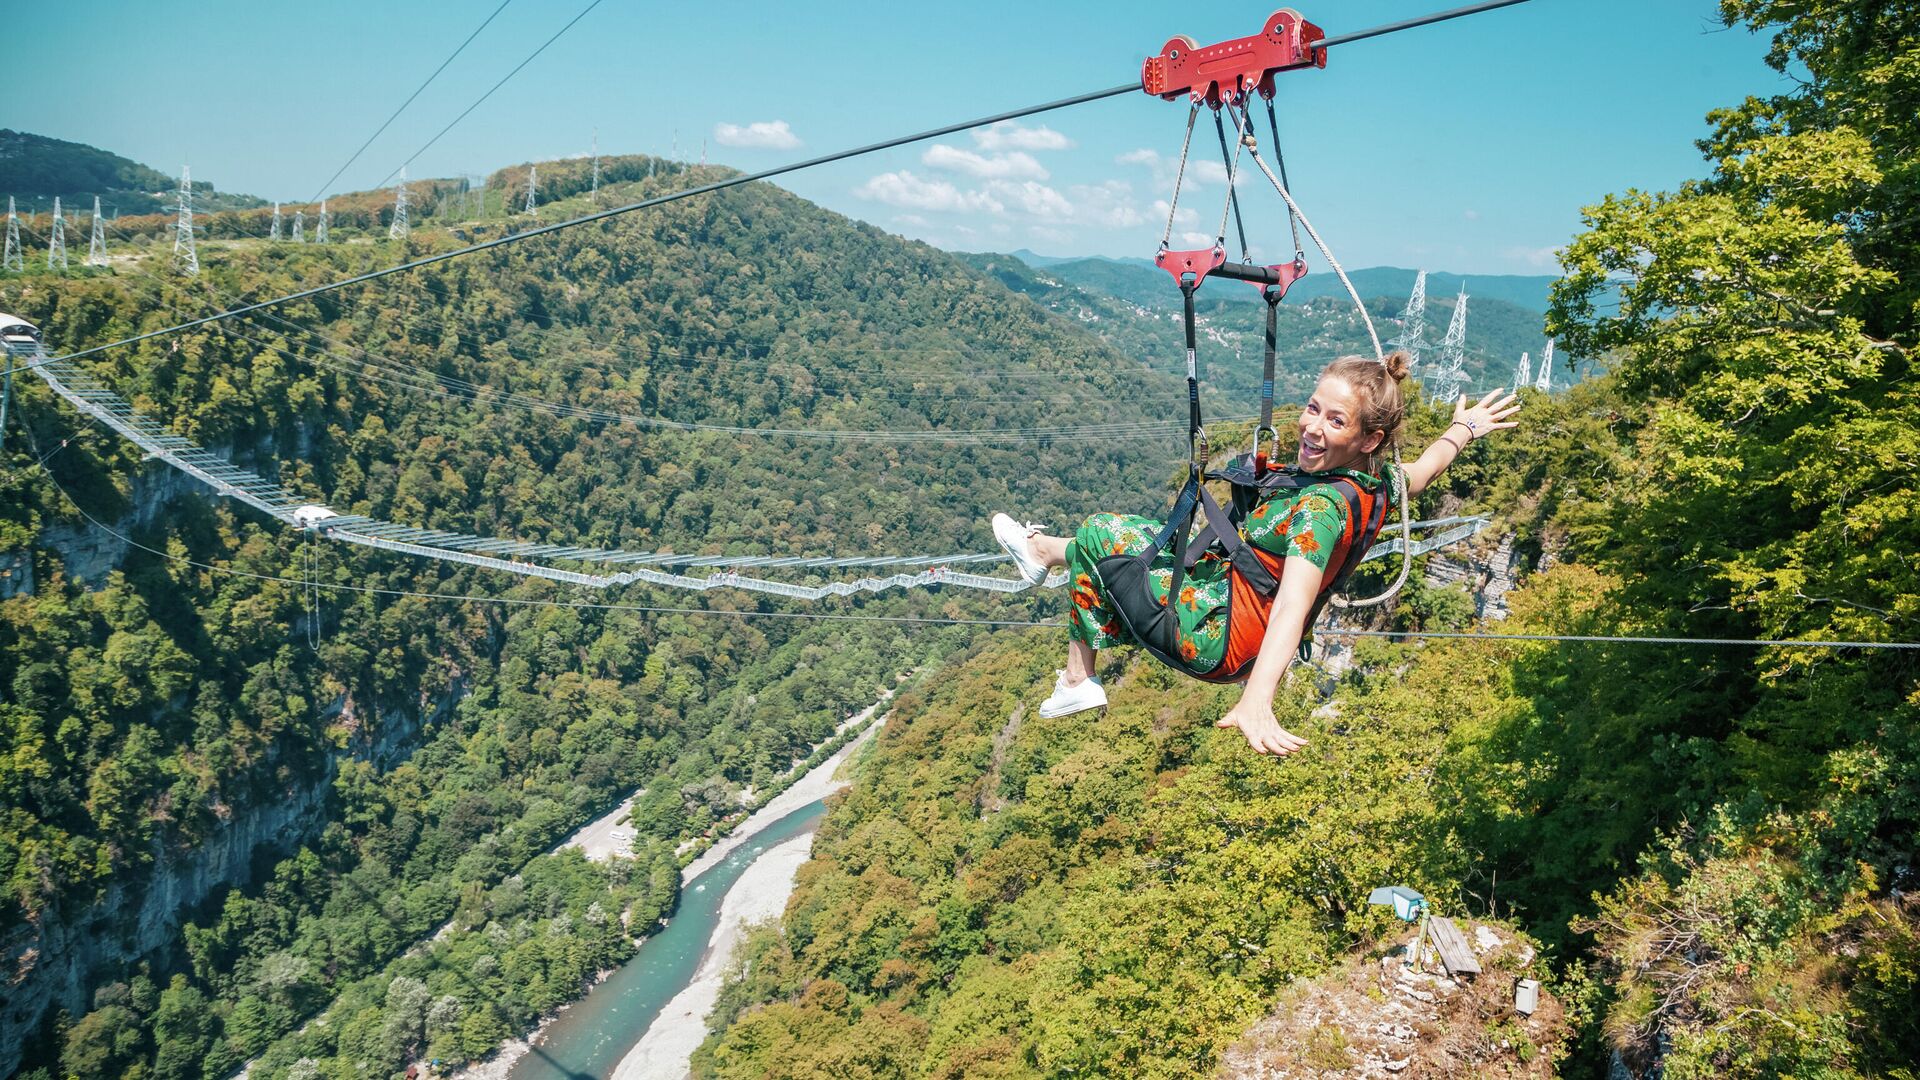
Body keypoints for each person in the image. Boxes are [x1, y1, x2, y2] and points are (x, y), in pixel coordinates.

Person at [992, 351, 1520, 757]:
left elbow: (1294, 604)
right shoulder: (1372, 484)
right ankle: (1041, 554)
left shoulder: (1319, 509)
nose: (1313, 427)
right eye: (1313, 408)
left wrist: (1258, 699)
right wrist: (1464, 429)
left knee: (1101, 533)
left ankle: (1077, 677)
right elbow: (1423, 471)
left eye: (1336, 421)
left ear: (1368, 438)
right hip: (1225, 601)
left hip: (1219, 636)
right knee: (1143, 537)